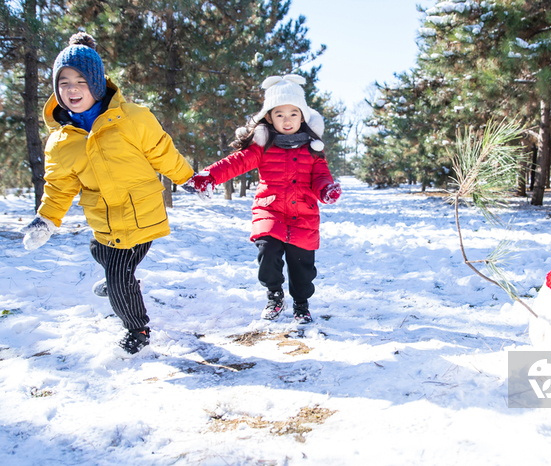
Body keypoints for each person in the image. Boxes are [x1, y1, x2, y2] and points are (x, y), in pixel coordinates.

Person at [21, 32, 194, 354]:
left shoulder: (133, 119)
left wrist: (187, 178)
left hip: (139, 214)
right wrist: (46, 219)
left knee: (118, 275)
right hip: (104, 218)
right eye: (64, 82)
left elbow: (162, 152)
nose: (72, 89)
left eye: (81, 81)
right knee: (101, 254)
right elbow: (60, 186)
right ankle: (122, 284)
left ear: (98, 84)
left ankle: (137, 328)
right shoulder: (60, 141)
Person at [184, 74, 341, 324]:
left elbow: (321, 175)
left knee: (302, 269)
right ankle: (274, 296)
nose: (287, 120)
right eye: (280, 114)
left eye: (293, 113)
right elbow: (236, 162)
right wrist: (209, 176)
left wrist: (326, 189)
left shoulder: (312, 149)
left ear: (303, 117)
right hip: (270, 211)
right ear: (269, 117)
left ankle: (301, 304)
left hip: (304, 215)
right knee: (268, 253)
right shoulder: (263, 145)